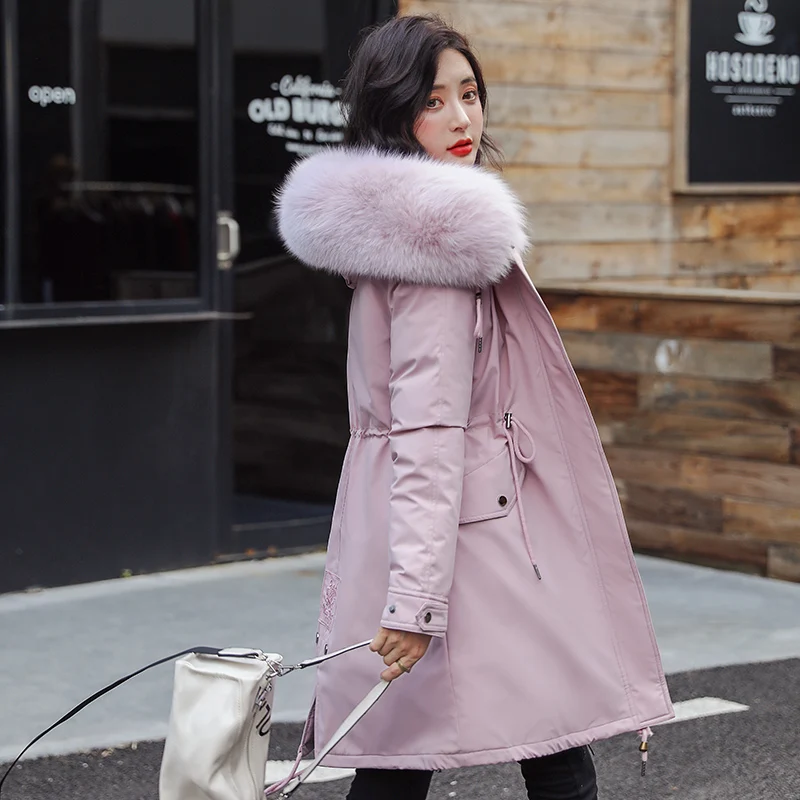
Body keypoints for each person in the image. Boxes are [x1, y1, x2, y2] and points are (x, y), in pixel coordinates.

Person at [276, 14, 674, 800]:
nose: (462, 118)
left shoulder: (403, 238)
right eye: (433, 101)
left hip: (453, 531)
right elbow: (428, 433)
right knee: (527, 747)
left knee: (416, 749)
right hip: (473, 536)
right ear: (392, 115)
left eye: (470, 94)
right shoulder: (434, 250)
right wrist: (414, 600)